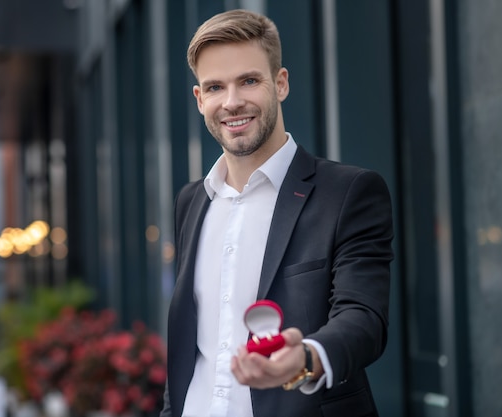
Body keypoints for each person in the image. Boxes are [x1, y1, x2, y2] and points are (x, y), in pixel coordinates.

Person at [161, 9, 393, 417]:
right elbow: (189, 349)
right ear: (200, 100)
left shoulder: (348, 192)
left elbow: (363, 317)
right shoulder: (191, 202)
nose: (232, 102)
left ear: (280, 83)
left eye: (249, 81)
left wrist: (306, 357)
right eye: (215, 87)